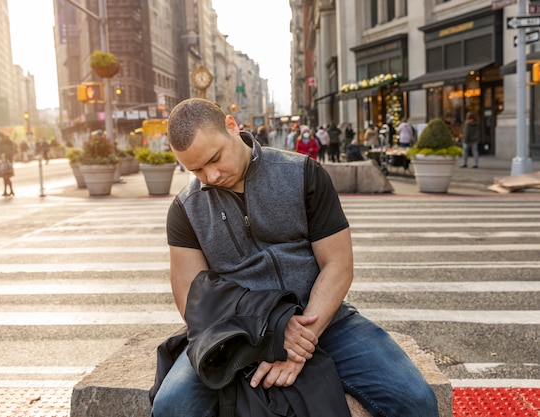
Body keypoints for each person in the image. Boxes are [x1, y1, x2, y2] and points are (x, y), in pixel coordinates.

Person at [151, 98, 438, 417]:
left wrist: (302, 339)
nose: (212, 175)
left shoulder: (303, 174)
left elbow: (338, 264)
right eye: (196, 170)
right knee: (170, 407)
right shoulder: (185, 209)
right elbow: (191, 297)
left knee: (415, 400)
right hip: (234, 333)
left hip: (323, 318)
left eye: (215, 158)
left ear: (232, 126)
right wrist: (270, 333)